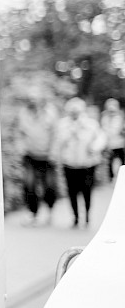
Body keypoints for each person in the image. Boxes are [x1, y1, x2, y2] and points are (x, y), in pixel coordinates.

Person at [50, 97, 106, 228]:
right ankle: (75, 217)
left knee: (87, 191)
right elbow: (58, 142)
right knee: (72, 192)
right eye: (72, 111)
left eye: (77, 111)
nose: (74, 113)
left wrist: (93, 148)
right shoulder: (63, 125)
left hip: (87, 164)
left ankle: (87, 216)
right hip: (69, 164)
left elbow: (101, 139)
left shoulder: (91, 124)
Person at [14, 98, 57, 226]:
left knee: (49, 186)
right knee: (29, 184)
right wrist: (20, 148)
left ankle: (50, 211)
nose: (33, 104)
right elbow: (19, 133)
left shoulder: (50, 113)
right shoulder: (23, 114)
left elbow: (56, 134)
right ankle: (33, 213)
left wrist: (53, 152)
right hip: (30, 156)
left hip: (47, 156)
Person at [100, 98, 125, 182]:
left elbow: (119, 129)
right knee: (110, 161)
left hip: (120, 143)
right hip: (109, 143)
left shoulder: (120, 117)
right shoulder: (105, 117)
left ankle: (122, 176)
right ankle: (111, 177)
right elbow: (104, 130)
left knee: (122, 160)